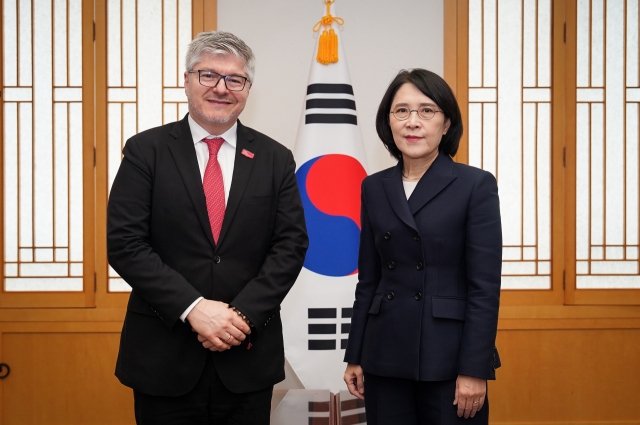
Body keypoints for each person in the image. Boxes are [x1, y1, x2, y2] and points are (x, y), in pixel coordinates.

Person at [107, 31, 308, 425]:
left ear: (247, 88)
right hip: (164, 357)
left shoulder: (274, 158)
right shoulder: (145, 151)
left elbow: (290, 245)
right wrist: (194, 308)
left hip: (246, 353)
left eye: (235, 79)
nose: (221, 88)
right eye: (208, 75)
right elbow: (126, 244)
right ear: (187, 80)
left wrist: (241, 317)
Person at [343, 69, 502, 424]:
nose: (413, 122)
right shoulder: (374, 187)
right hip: (385, 355)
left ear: (446, 124)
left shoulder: (474, 185)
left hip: (449, 358)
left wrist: (475, 369)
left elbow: (484, 288)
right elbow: (369, 281)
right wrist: (355, 354)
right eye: (402, 111)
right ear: (389, 122)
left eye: (426, 111)